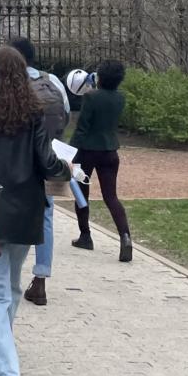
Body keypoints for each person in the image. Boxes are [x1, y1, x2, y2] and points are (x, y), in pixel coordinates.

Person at [0, 47, 71, 376]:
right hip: (25, 208)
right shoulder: (33, 113)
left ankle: (5, 375)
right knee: (9, 288)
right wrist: (65, 166)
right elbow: (46, 162)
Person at [8, 38, 69, 307]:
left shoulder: (7, 85)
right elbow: (65, 113)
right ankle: (41, 278)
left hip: (14, 161)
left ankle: (7, 274)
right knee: (45, 215)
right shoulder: (52, 81)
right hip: (47, 157)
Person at [70, 59, 132, 262]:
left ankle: (85, 235)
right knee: (111, 197)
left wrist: (69, 152)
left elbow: (82, 128)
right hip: (110, 150)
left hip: (87, 150)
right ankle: (125, 237)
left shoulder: (90, 97)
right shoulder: (120, 98)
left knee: (81, 193)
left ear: (101, 77)